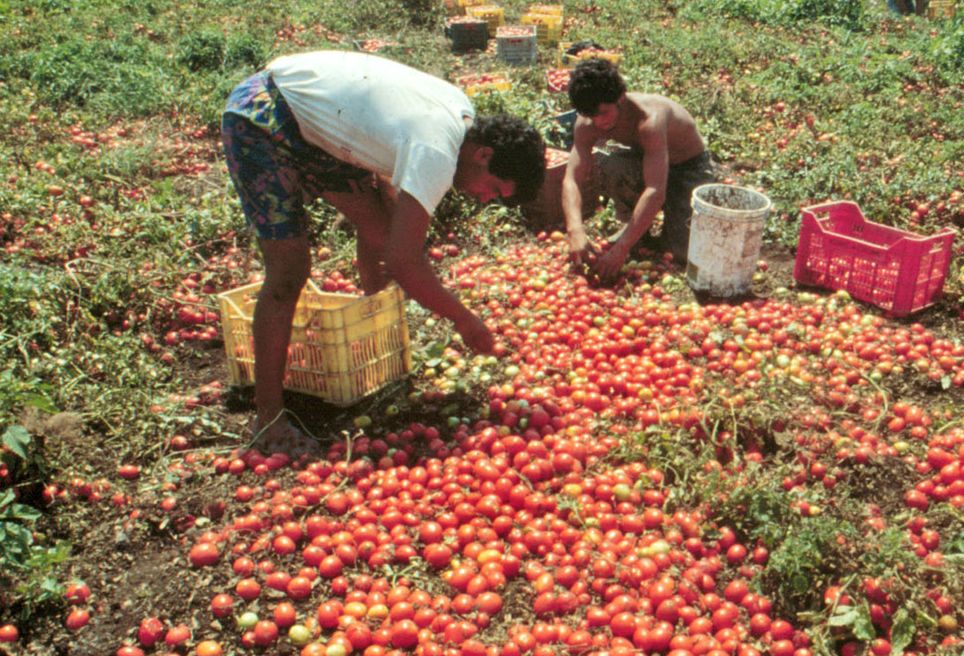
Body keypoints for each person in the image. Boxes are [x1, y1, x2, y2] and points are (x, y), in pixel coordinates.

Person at [221, 50, 545, 454]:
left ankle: (379, 344)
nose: (484, 199)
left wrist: (381, 287)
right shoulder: (437, 152)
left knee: (381, 228)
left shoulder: (461, 116)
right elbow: (403, 261)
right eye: (494, 189)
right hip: (264, 115)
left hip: (317, 127)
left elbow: (388, 219)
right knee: (289, 270)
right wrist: (465, 320)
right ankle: (269, 419)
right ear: (484, 155)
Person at [561, 58, 715, 282]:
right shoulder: (587, 124)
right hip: (647, 161)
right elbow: (571, 179)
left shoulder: (649, 120)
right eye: (590, 115)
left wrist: (621, 248)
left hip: (688, 166)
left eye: (603, 113)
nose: (598, 122)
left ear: (620, 97)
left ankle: (643, 232)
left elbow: (655, 189)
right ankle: (634, 228)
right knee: (614, 164)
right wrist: (574, 229)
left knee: (682, 252)